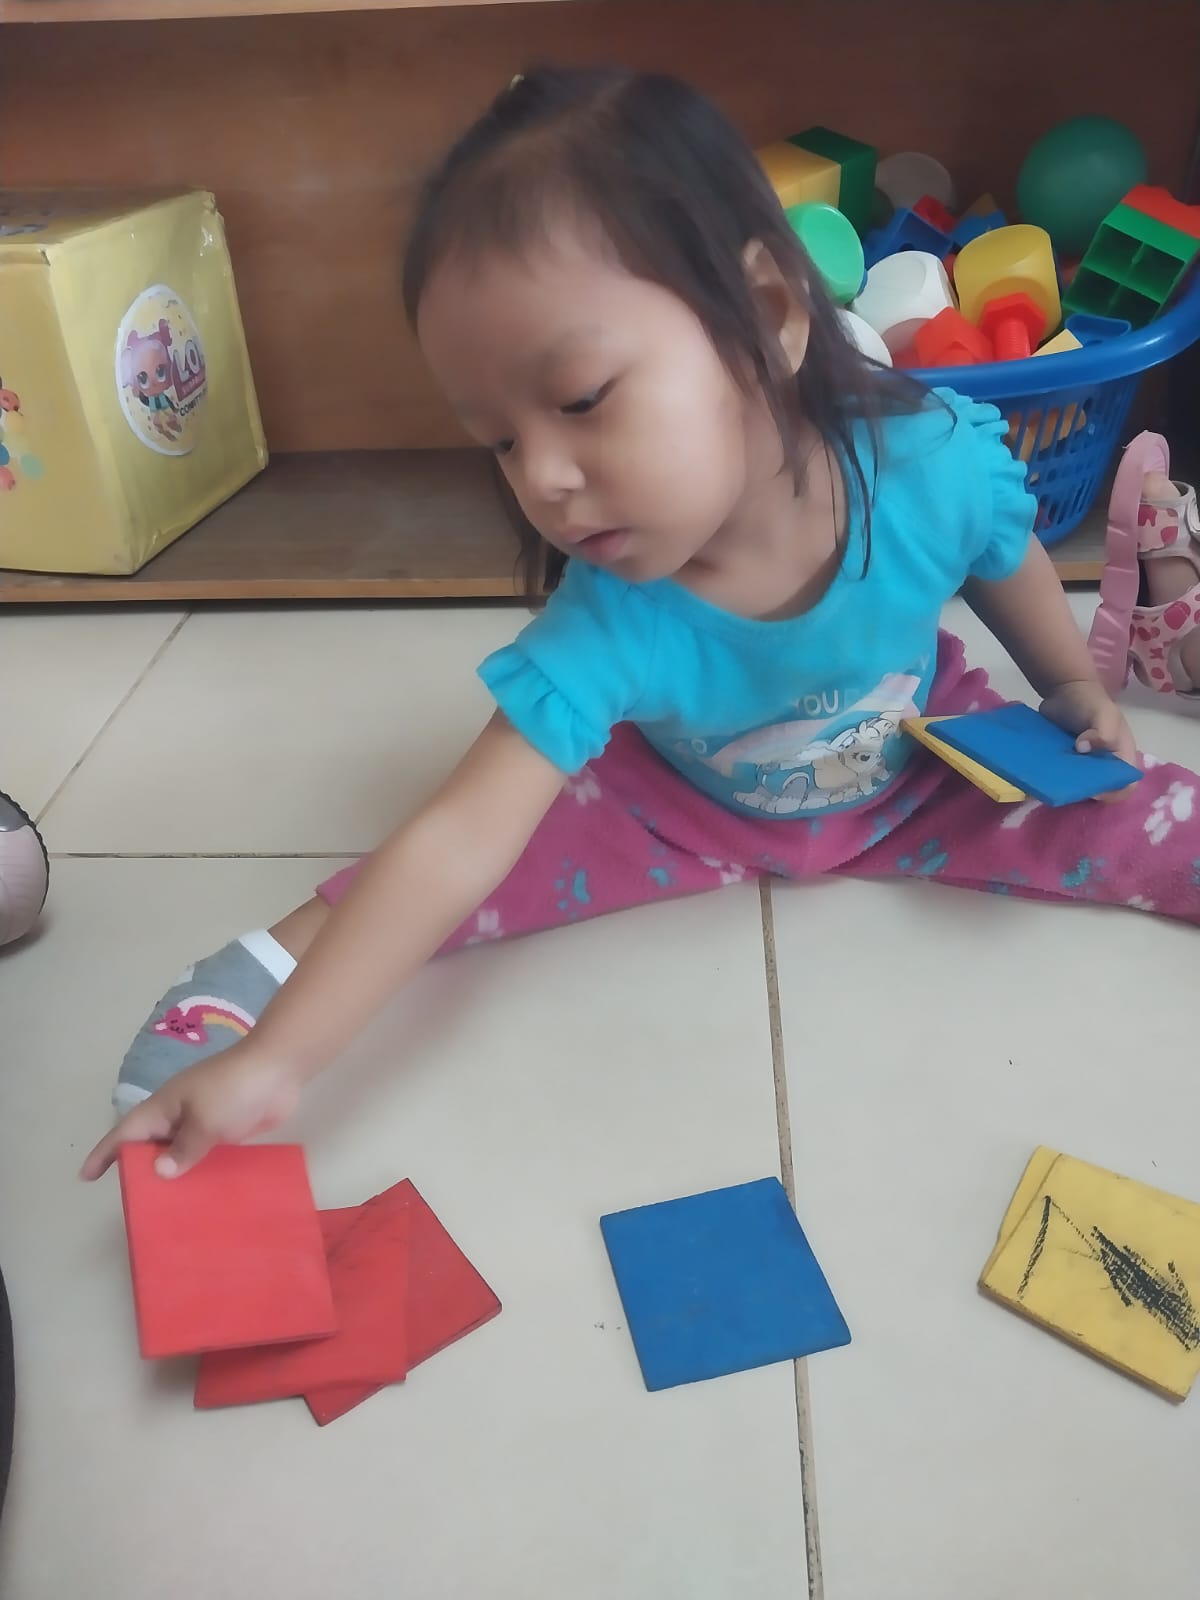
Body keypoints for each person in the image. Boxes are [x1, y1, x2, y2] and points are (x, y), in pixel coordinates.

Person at [82, 66, 1198, 1185]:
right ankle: (255, 992)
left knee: (1121, 811)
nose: (543, 477)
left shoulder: (930, 462)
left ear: (768, 316)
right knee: (450, 877)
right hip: (671, 807)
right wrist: (273, 1063)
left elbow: (1002, 553)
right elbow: (459, 838)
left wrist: (1068, 687)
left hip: (916, 761)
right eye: (500, 440)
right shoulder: (609, 621)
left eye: (579, 400)